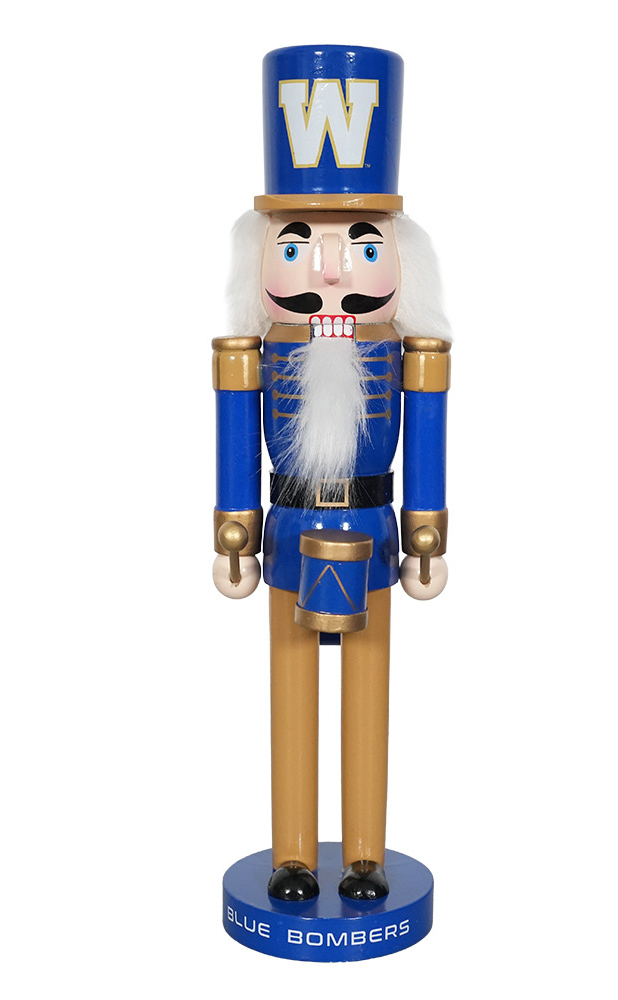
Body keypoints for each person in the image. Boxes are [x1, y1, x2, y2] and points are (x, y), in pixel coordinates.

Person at [212, 45, 451, 903]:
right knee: (290, 682)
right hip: (286, 531)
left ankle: (363, 855)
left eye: (360, 244)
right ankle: (291, 853)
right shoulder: (251, 352)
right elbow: (232, 444)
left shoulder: (412, 353)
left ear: (403, 261)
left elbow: (429, 447)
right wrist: (234, 535)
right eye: (297, 244)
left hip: (374, 532)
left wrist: (426, 536)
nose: (328, 268)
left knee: (368, 682)